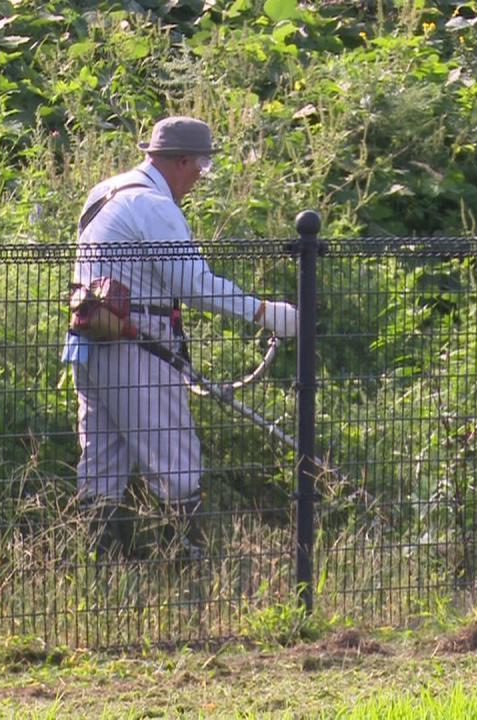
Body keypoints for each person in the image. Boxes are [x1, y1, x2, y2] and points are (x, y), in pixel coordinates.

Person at [61, 116, 297, 559]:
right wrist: (265, 313)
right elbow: (196, 285)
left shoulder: (103, 194)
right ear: (182, 161)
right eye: (201, 169)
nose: (199, 179)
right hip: (138, 348)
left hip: (89, 343)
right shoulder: (154, 206)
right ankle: (185, 575)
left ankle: (102, 577)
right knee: (176, 462)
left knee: (101, 468)